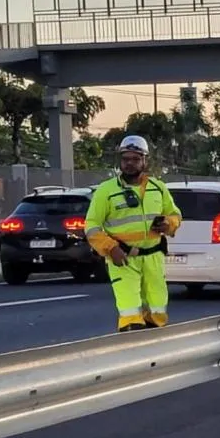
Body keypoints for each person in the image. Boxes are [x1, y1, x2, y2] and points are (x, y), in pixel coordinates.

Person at [85, 135, 183, 332]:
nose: (129, 163)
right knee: (130, 312)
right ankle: (131, 340)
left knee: (157, 309)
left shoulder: (158, 187)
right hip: (123, 258)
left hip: (154, 257)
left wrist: (168, 224)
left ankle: (156, 346)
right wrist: (110, 248)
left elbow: (175, 215)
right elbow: (91, 225)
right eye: (125, 159)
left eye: (135, 159)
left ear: (145, 161)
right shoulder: (106, 191)